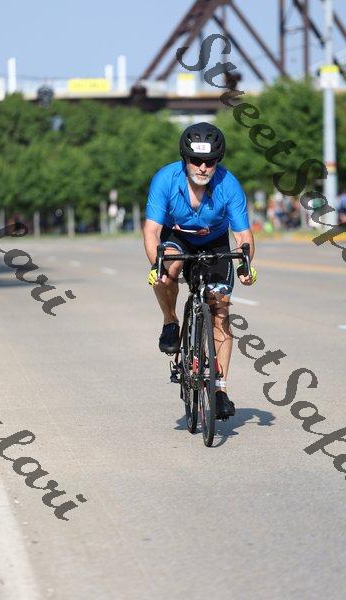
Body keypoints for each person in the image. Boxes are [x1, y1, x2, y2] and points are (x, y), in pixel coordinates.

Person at [143, 122, 256, 418]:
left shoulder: (229, 185)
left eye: (210, 161)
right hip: (176, 237)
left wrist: (245, 264)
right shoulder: (165, 180)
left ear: (218, 161)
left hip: (215, 242)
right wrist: (156, 265)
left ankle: (219, 391)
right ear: (185, 159)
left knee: (220, 312)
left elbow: (243, 235)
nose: (203, 167)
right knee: (168, 266)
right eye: (196, 160)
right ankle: (170, 320)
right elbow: (152, 230)